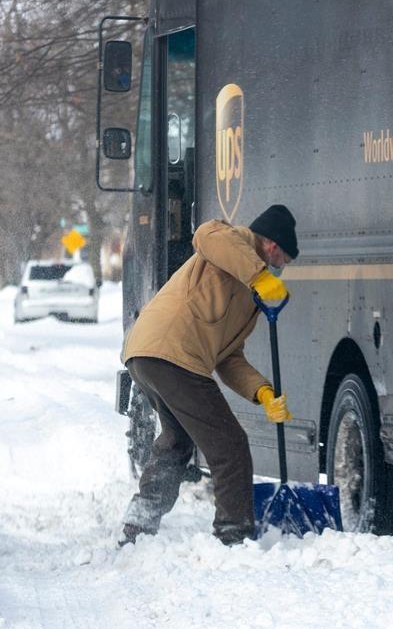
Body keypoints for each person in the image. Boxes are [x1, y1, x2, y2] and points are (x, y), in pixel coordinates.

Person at [119, 204, 299, 546]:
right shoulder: (233, 241)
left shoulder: (252, 292)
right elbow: (205, 235)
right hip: (171, 354)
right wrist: (260, 275)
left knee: (177, 440)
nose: (282, 267)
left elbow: (228, 357)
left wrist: (262, 392)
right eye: (285, 258)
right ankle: (234, 534)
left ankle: (139, 522)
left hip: (151, 355)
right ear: (274, 246)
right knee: (230, 445)